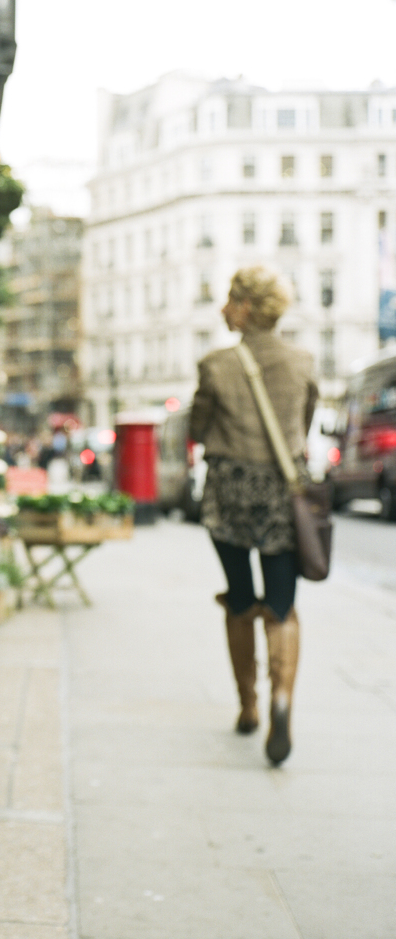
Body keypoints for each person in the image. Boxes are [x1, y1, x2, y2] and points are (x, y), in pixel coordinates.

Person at [189, 267, 317, 766]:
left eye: (228, 300)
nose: (222, 309)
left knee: (240, 596)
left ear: (244, 307)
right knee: (282, 602)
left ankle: (248, 706)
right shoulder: (303, 360)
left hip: (230, 492)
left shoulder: (216, 364)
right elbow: (302, 426)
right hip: (282, 493)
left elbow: (199, 428)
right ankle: (283, 697)